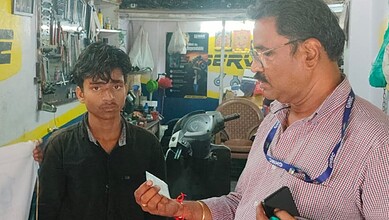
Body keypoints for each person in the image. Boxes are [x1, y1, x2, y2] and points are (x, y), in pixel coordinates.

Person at [134, 0, 389, 219]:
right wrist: (184, 209)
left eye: (264, 54)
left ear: (310, 53)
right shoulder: (274, 119)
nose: (254, 66)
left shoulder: (376, 143)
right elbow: (241, 202)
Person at [38, 42, 167, 220]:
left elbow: (161, 209)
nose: (108, 97)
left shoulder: (148, 145)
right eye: (96, 87)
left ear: (126, 88)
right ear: (80, 94)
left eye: (116, 86)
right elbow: (47, 211)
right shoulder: (59, 148)